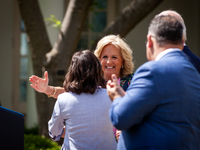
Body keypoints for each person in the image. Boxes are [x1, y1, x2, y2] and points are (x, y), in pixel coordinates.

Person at [107, 15, 200, 150]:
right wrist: (124, 97)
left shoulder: (152, 71)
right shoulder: (194, 74)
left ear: (150, 40)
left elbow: (120, 118)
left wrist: (116, 97)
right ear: (182, 40)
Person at [29, 34, 135, 141]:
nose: (108, 61)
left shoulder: (133, 82)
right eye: (104, 57)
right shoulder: (92, 81)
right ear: (98, 59)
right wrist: (47, 89)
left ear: (123, 60)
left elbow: (139, 109)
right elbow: (72, 95)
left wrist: (128, 129)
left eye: (114, 57)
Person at [48, 50, 117, 150]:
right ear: (97, 70)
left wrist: (70, 131)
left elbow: (54, 133)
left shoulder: (63, 99)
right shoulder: (111, 95)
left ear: (72, 71)